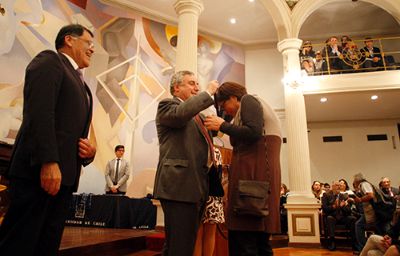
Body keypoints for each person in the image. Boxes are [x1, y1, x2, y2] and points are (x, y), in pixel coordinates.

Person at [0, 24, 96, 256]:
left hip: (63, 179)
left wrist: (88, 153)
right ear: (69, 40)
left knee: (46, 244)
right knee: (20, 242)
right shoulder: (50, 61)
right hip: (39, 174)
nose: (92, 49)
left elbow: (73, 131)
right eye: (88, 43)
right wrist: (49, 161)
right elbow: (39, 113)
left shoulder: (81, 84)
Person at [205, 81, 282, 256]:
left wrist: (222, 125)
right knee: (259, 242)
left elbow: (253, 131)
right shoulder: (249, 108)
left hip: (252, 182)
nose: (225, 110)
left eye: (224, 104)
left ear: (233, 97)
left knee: (244, 241)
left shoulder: (249, 100)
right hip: (256, 180)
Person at [153, 70, 219, 256]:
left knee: (182, 246)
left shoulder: (196, 116)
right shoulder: (168, 106)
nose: (196, 87)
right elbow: (181, 115)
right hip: (178, 187)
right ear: (176, 88)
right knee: (180, 247)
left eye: (197, 84)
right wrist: (207, 93)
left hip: (195, 187)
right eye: (191, 83)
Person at [193, 147, 225, 256]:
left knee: (198, 234)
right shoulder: (216, 151)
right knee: (209, 234)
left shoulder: (195, 148)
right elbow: (220, 175)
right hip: (214, 196)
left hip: (198, 195)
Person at [321, 181, 357, 252]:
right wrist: (334, 207)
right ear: (333, 186)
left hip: (342, 216)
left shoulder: (343, 196)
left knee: (353, 219)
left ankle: (354, 243)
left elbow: (348, 210)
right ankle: (332, 241)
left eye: (340, 186)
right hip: (332, 216)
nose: (339, 187)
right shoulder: (326, 195)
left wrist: (342, 206)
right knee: (329, 218)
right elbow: (325, 208)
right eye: (337, 185)